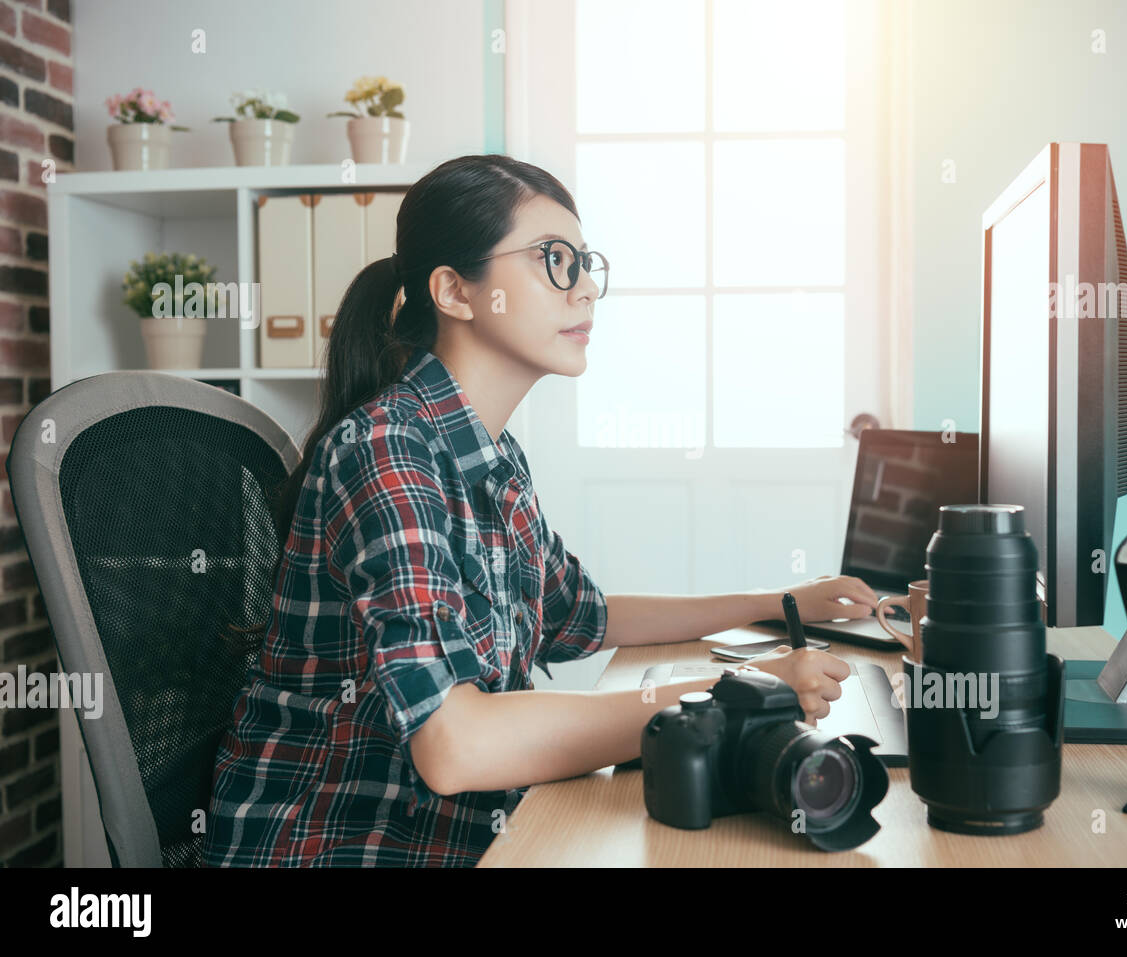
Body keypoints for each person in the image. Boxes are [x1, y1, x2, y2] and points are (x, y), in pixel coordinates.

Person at [201, 154, 877, 867]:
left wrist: (777, 601)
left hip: (471, 832)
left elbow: (583, 615)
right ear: (456, 292)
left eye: (586, 264)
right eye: (555, 260)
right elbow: (456, 745)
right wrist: (745, 690)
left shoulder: (492, 457)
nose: (586, 289)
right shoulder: (386, 452)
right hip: (342, 845)